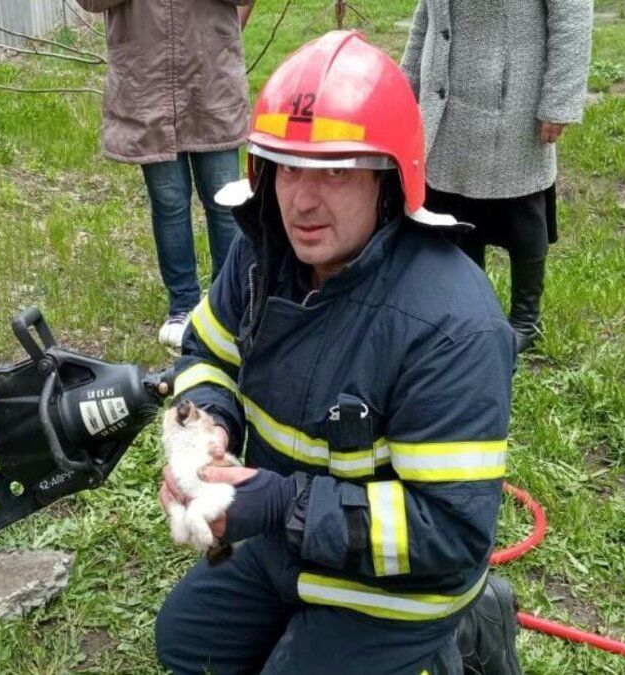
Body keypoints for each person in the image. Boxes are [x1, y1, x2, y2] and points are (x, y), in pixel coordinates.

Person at [155, 31, 521, 674]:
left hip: (396, 588)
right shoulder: (259, 251)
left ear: (388, 180)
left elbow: (446, 532)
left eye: (335, 170)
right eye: (289, 168)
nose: (302, 201)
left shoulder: (452, 326)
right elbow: (204, 352)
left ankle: (465, 632)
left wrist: (279, 504)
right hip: (283, 547)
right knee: (186, 647)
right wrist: (201, 428)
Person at [400, 0, 593, 352]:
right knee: (457, 210)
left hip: (515, 102)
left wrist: (559, 101)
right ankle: (472, 312)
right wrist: (405, 86)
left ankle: (525, 319)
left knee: (522, 211)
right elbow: (427, 13)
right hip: (447, 105)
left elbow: (572, 14)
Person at [76, 0, 255, 348]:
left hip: (210, 78)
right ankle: (183, 305)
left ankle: (229, 304)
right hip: (148, 85)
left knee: (225, 202)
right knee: (169, 202)